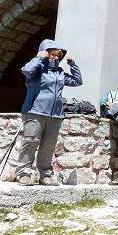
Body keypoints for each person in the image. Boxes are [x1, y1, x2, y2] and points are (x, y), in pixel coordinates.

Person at [14, 39, 82, 186]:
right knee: (30, 142)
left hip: (55, 115)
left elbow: (77, 81)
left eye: (58, 55)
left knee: (48, 146)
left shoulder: (60, 73)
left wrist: (73, 66)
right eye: (52, 54)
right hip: (34, 111)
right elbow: (25, 70)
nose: (56, 58)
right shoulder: (37, 69)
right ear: (45, 53)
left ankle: (45, 174)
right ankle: (23, 173)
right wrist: (39, 57)